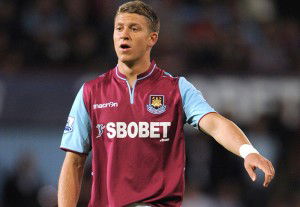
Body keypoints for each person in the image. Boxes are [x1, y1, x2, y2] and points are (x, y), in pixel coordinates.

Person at [58, 1, 275, 207]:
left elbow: (216, 124)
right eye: (119, 28)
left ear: (152, 38)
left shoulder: (176, 89)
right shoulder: (91, 92)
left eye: (134, 28)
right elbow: (74, 161)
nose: (124, 34)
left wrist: (248, 151)